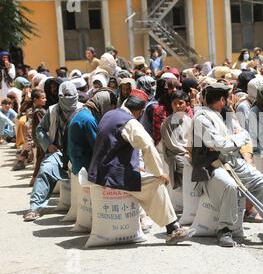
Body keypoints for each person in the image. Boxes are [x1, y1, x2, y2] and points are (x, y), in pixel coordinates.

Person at [190, 82, 263, 248]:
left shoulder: (227, 113)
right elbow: (219, 144)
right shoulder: (201, 118)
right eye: (227, 98)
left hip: (233, 160)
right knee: (231, 186)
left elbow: (244, 135)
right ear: (221, 99)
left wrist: (232, 140)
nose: (229, 101)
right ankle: (225, 230)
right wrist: (234, 140)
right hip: (211, 165)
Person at [87, 95, 194, 244]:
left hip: (98, 170)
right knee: (155, 183)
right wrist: (159, 173)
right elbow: (148, 145)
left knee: (144, 177)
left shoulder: (110, 114)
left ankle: (156, 221)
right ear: (140, 111)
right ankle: (173, 229)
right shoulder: (130, 122)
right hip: (112, 174)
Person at [23, 82, 83, 221]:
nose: (67, 97)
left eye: (70, 95)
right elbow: (39, 129)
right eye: (65, 95)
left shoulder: (83, 109)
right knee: (45, 169)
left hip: (79, 152)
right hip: (59, 152)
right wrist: (48, 144)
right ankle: (34, 207)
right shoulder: (52, 110)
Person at [160, 90, 192, 190]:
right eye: (175, 103)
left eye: (180, 103)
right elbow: (172, 145)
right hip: (177, 157)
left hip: (189, 154)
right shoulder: (167, 122)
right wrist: (187, 151)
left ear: (187, 104)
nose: (178, 106)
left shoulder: (189, 119)